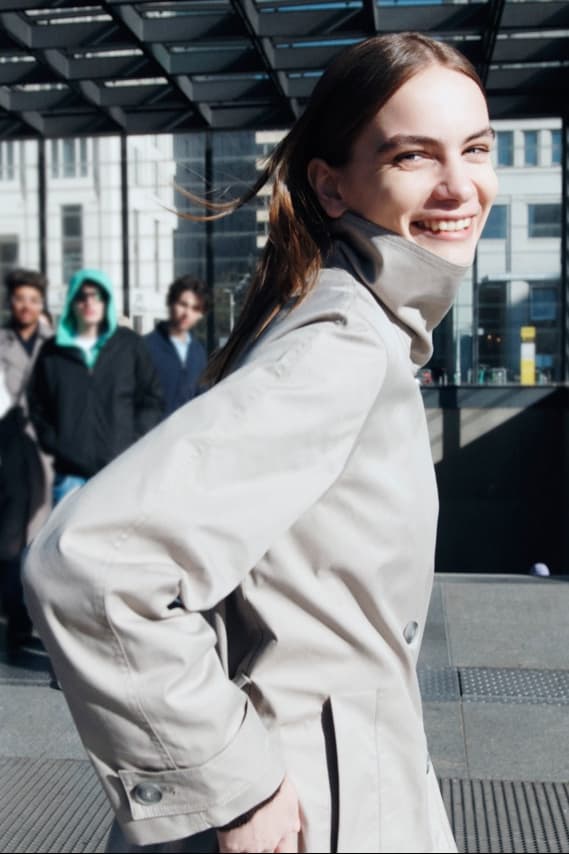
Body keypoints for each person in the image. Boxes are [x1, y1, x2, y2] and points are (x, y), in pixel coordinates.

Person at [24, 33, 497, 854]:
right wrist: (234, 789)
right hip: (319, 808)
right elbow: (89, 562)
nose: (460, 185)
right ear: (332, 185)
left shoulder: (348, 325)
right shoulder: (341, 345)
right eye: (413, 157)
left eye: (476, 148)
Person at [27, 268, 163, 505]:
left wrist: (132, 440)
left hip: (120, 471)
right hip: (70, 476)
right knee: (65, 542)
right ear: (72, 302)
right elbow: (37, 406)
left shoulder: (129, 345)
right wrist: (57, 443)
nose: (89, 302)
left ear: (106, 300)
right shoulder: (52, 351)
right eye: (82, 296)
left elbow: (152, 398)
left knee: (118, 540)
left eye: (96, 295)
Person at [0, 268, 52, 654]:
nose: (26, 306)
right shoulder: (1, 343)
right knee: (11, 541)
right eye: (20, 299)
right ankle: (17, 619)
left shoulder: (56, 343)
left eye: (33, 299)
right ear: (11, 303)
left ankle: (43, 621)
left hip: (49, 450)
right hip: (9, 448)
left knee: (45, 538)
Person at [144, 275, 209, 417]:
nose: (187, 313)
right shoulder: (144, 348)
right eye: (183, 304)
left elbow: (200, 400)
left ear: (200, 315)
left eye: (195, 308)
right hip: (151, 436)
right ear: (171, 303)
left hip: (184, 437)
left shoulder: (198, 353)